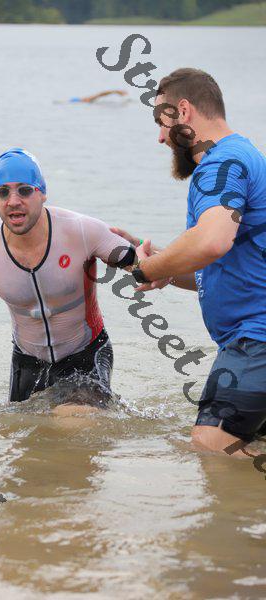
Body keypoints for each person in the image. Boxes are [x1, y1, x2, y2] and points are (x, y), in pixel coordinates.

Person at [0, 148, 137, 419]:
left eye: (24, 190)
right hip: (28, 364)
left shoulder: (82, 230)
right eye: (2, 192)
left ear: (42, 193)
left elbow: (146, 266)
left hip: (85, 356)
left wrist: (148, 254)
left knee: (73, 422)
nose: (13, 201)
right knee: (17, 437)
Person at [114, 68, 266, 456]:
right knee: (244, 448)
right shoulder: (242, 155)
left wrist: (148, 269)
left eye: (160, 123)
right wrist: (166, 270)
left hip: (255, 340)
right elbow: (224, 261)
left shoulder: (219, 165)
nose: (160, 137)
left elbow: (212, 241)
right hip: (251, 340)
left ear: (182, 112)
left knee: (210, 448)